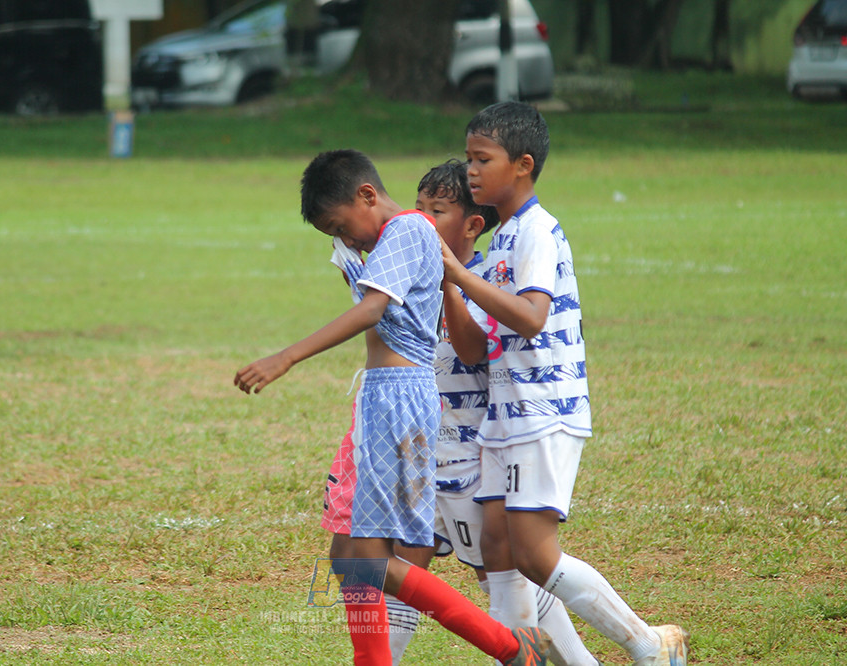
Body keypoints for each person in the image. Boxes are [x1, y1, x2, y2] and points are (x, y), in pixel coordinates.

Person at [234, 149, 551, 666]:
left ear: (367, 195)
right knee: (346, 556)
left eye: (343, 227)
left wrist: (286, 357)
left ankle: (512, 647)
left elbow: (372, 310)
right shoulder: (388, 239)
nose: (347, 238)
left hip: (399, 402)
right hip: (379, 399)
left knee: (372, 560)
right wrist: (351, 255)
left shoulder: (406, 229)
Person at [440, 101, 690, 666]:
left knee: (534, 555)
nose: (471, 170)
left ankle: (649, 645)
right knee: (499, 551)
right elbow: (475, 349)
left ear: (523, 164)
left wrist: (457, 274)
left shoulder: (536, 230)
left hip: (543, 408)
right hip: (504, 414)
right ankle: (528, 660)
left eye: (483, 159)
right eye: (469, 158)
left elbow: (531, 317)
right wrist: (450, 283)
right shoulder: (502, 240)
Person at [384, 159, 599, 666]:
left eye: (437, 211)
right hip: (424, 453)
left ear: (472, 225)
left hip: (471, 459)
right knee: (402, 568)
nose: (422, 220)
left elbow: (473, 350)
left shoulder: (485, 281)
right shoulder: (415, 280)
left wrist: (449, 285)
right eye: (418, 208)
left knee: (506, 579)